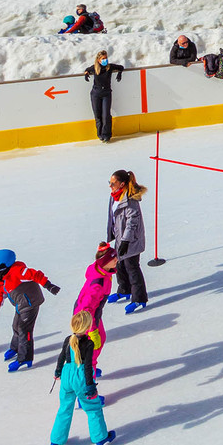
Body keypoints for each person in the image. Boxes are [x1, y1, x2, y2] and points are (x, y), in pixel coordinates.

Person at [49, 313, 115, 445]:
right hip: (81, 377)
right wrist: (90, 385)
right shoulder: (89, 343)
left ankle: (56, 439)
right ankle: (100, 438)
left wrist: (58, 372)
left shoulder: (68, 339)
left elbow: (61, 357)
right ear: (87, 326)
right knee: (93, 408)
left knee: (64, 408)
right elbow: (87, 366)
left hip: (67, 376)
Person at [0, 249, 61, 372]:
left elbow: (35, 274)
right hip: (20, 305)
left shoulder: (18, 271)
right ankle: (15, 348)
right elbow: (0, 296)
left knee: (24, 330)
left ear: (3, 266)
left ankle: (25, 358)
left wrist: (49, 285)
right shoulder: (3, 279)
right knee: (16, 326)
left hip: (30, 304)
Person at [73, 242, 117, 377]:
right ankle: (87, 383)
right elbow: (87, 309)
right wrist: (92, 331)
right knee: (93, 346)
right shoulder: (98, 285)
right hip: (86, 318)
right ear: (105, 261)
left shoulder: (100, 270)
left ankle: (90, 365)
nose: (116, 260)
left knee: (99, 341)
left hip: (92, 314)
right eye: (113, 258)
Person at [108, 170, 149, 312]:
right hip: (120, 238)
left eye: (113, 183)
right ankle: (124, 290)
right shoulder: (115, 197)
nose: (110, 186)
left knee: (132, 267)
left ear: (122, 184)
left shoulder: (130, 200)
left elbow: (132, 222)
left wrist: (126, 241)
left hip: (131, 239)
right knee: (119, 265)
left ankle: (139, 299)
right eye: (110, 183)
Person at [89, 48, 124, 142]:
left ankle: (107, 135)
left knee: (106, 115)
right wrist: (86, 74)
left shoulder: (110, 67)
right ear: (98, 60)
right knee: (98, 115)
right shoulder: (95, 68)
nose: (105, 60)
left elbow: (121, 67)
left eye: (106, 58)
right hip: (95, 93)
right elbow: (87, 70)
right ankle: (100, 134)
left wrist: (119, 74)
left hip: (106, 94)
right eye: (103, 58)